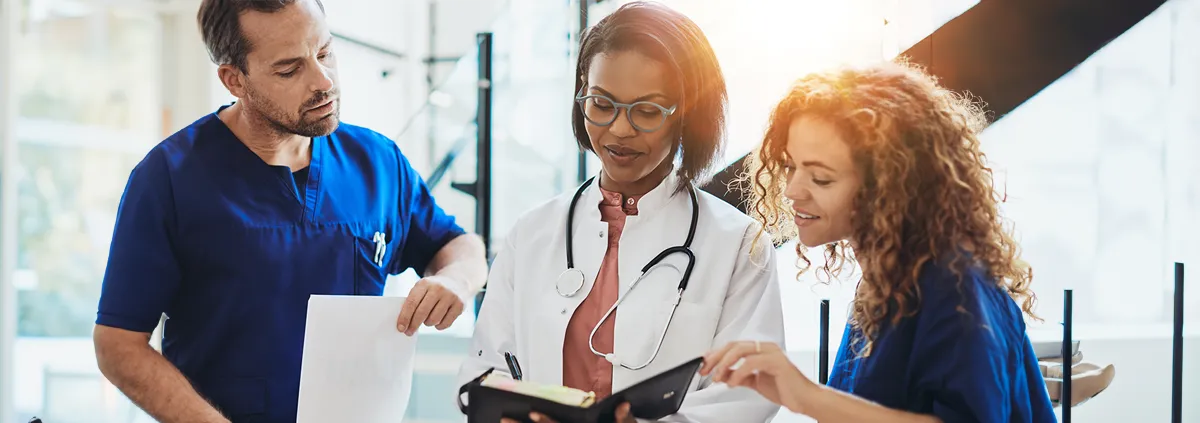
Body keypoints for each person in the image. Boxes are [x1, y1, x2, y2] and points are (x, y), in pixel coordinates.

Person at [92, 1, 488, 422]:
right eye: (289, 69)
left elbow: (457, 245)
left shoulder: (378, 162)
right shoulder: (168, 179)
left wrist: (456, 280)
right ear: (234, 80)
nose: (324, 81)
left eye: (325, 53)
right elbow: (118, 344)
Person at [458, 2, 785, 422]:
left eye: (647, 111)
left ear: (687, 111)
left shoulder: (738, 244)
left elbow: (745, 395)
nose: (620, 129)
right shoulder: (532, 233)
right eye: (602, 103)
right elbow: (484, 368)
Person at [701, 60, 1058, 422]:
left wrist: (806, 396)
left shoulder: (952, 288)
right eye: (790, 166)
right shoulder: (886, 280)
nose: (792, 190)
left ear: (888, 186)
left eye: (821, 178)